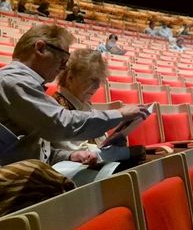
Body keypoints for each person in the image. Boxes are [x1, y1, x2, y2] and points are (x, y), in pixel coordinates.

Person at [0, 24, 149, 166]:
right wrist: (119, 114)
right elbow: (60, 125)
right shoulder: (14, 82)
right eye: (63, 59)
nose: (64, 67)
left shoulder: (24, 84)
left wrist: (69, 156)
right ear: (40, 48)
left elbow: (38, 154)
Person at [51, 49, 144, 164]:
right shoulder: (56, 107)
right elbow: (77, 152)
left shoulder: (86, 104)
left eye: (99, 81)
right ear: (70, 78)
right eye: (92, 80)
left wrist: (114, 141)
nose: (97, 87)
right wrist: (124, 153)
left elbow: (100, 144)